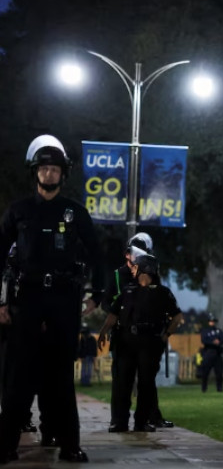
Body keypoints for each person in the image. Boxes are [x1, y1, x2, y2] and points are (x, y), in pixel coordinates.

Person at [0, 134, 104, 463]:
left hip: (63, 299)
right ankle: (6, 445)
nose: (49, 173)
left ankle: (70, 444)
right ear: (35, 172)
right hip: (26, 299)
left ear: (63, 173)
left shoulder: (75, 212)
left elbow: (98, 254)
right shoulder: (18, 211)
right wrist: (1, 302)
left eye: (55, 168)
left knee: (61, 376)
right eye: (44, 168)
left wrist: (97, 295)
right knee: (18, 377)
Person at [98, 252, 183, 432]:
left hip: (150, 342)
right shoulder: (128, 291)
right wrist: (103, 332)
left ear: (145, 269)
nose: (133, 270)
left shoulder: (162, 293)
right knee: (123, 383)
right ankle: (120, 422)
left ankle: (141, 422)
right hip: (126, 341)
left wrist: (166, 335)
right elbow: (113, 315)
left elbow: (177, 317)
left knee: (146, 383)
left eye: (136, 267)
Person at [200, 314, 223, 392]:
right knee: (205, 372)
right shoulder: (205, 331)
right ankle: (204, 388)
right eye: (211, 321)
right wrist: (213, 342)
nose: (212, 323)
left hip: (217, 353)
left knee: (219, 372)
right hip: (208, 353)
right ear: (208, 322)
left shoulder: (219, 331)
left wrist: (218, 342)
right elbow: (204, 340)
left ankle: (219, 388)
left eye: (213, 321)